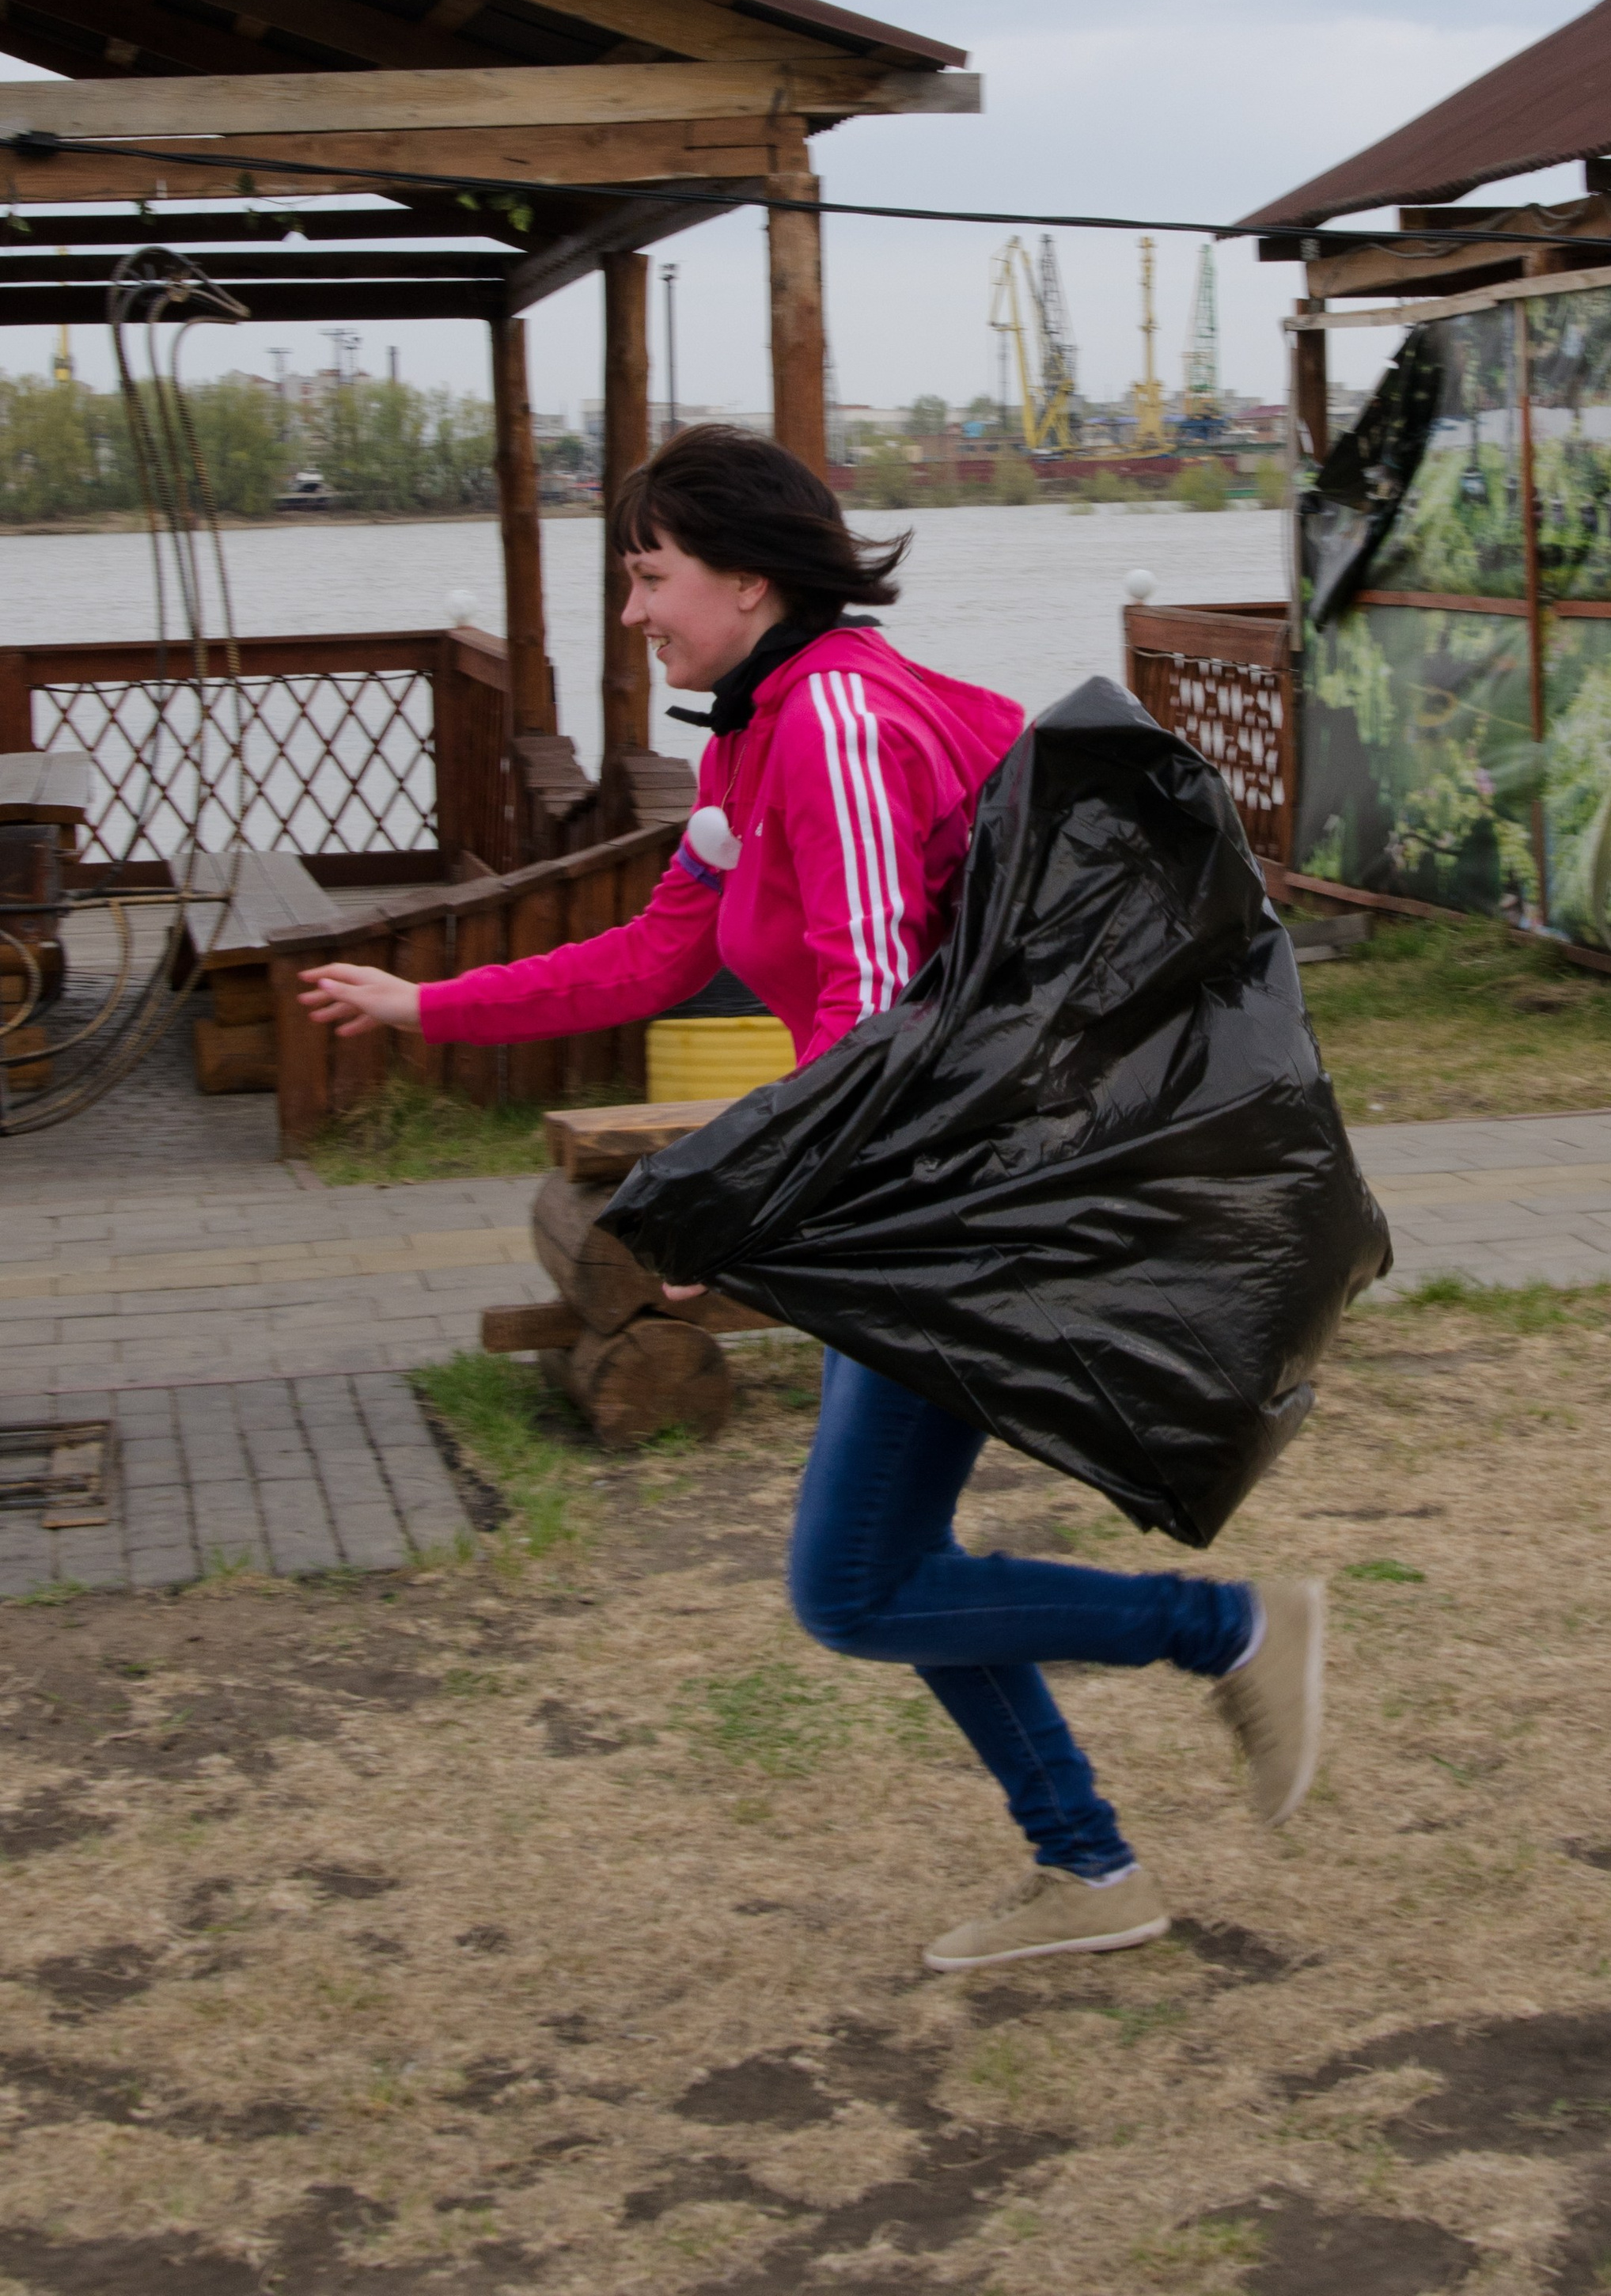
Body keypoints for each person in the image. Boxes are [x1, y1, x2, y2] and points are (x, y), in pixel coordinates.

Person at [301, 426, 1325, 1972]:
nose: (636, 612)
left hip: (949, 1212)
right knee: (895, 1575)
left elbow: (871, 1008)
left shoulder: (835, 718)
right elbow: (656, 954)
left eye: (651, 576)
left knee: (855, 1587)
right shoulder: (750, 737)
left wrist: (756, 1215)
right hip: (912, 1204)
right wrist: (421, 1007)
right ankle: (1088, 1866)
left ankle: (1224, 1637)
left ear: (748, 577)